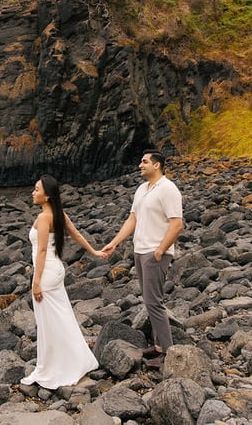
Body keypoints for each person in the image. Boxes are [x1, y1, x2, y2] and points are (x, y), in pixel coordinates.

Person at [20, 174, 106, 389]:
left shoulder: (43, 218)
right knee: (62, 317)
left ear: (47, 196)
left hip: (46, 273)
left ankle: (54, 366)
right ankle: (73, 359)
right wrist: (94, 252)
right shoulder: (59, 214)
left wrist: (36, 282)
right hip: (56, 270)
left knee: (48, 323)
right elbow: (77, 235)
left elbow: (41, 250)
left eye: (37, 189)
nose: (33, 192)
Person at [102, 149, 183, 369]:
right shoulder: (141, 189)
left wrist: (161, 250)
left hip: (155, 253)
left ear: (157, 165)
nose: (140, 165)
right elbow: (133, 219)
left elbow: (177, 224)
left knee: (154, 302)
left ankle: (168, 353)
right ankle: (158, 346)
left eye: (144, 161)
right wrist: (115, 242)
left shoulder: (168, 189)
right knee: (149, 301)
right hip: (140, 251)